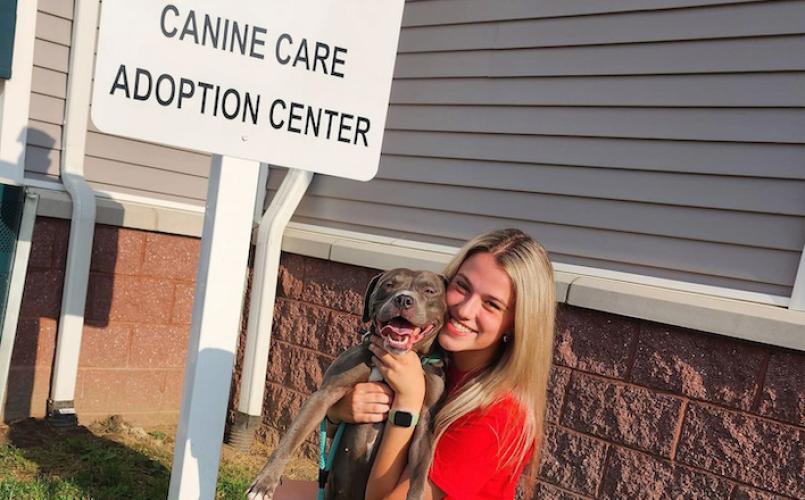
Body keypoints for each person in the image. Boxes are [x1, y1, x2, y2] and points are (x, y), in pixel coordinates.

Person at [327, 228, 556, 500]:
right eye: (462, 286)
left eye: (492, 304)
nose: (465, 310)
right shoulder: (432, 365)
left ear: (517, 324)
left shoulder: (498, 416)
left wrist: (409, 402)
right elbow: (343, 448)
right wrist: (338, 412)